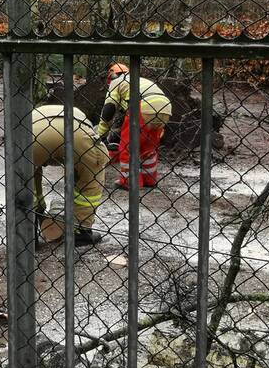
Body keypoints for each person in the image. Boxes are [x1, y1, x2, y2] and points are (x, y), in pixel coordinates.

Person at [32, 104, 109, 247]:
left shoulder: (37, 111)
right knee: (91, 178)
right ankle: (80, 231)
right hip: (76, 132)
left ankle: (28, 226)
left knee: (28, 176)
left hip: (35, 133)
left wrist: (40, 208)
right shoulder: (81, 115)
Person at [98, 63, 172, 189]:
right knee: (149, 147)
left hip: (142, 107)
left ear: (112, 76)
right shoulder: (138, 80)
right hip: (165, 107)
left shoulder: (117, 82)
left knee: (128, 147)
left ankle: (130, 181)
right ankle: (149, 179)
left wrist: (101, 134)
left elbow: (108, 110)